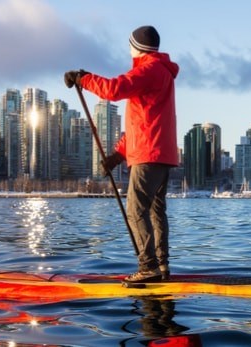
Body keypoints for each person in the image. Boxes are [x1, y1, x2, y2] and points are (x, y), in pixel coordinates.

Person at [64, 25, 179, 283]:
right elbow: (144, 123)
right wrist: (118, 155)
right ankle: (161, 266)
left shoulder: (148, 70)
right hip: (160, 152)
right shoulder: (161, 73)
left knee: (136, 210)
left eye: (130, 44)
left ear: (137, 47)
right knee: (155, 212)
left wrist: (84, 78)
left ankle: (148, 267)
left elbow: (114, 89)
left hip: (149, 155)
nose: (128, 48)